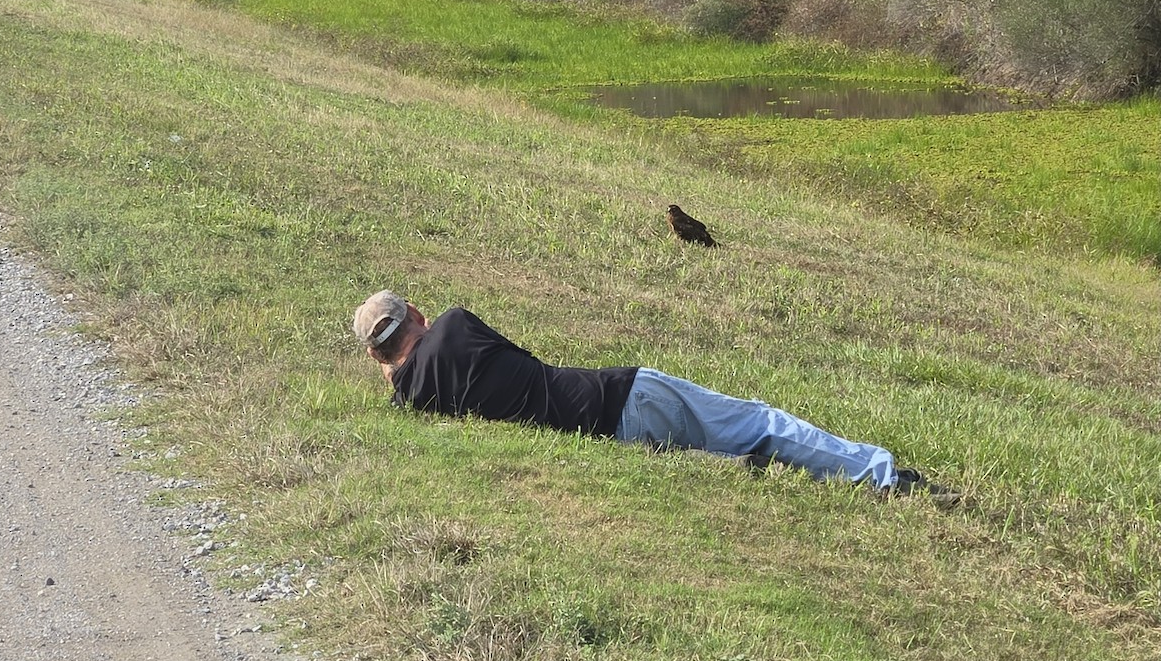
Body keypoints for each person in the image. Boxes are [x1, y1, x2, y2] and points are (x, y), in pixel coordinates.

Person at [353, 290, 958, 504]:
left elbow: (410, 381)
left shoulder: (410, 405)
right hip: (619, 395)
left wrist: (396, 375)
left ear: (380, 359)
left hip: (608, 440)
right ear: (418, 315)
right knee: (761, 422)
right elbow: (524, 358)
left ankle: (730, 464)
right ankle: (885, 477)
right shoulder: (455, 324)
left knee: (726, 440)